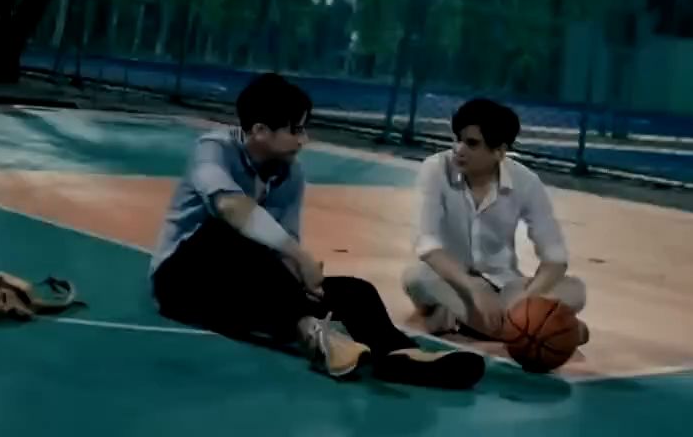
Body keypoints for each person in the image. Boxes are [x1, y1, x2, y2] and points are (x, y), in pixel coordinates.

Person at [149, 72, 486, 389]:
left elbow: (283, 248)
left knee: (355, 291)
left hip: (239, 291)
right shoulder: (214, 150)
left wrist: (303, 280)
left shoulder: (289, 174)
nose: (304, 139)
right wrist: (299, 257)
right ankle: (314, 334)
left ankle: (398, 354)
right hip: (181, 282)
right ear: (261, 130)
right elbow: (230, 208)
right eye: (295, 130)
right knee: (226, 235)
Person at [402, 98, 590, 345]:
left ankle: (462, 320)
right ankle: (530, 328)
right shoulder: (435, 169)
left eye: (471, 143)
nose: (458, 149)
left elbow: (555, 257)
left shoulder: (526, 182)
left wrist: (526, 299)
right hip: (453, 280)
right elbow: (428, 244)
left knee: (575, 290)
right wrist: (473, 286)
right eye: (457, 139)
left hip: (506, 287)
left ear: (499, 151)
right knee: (417, 278)